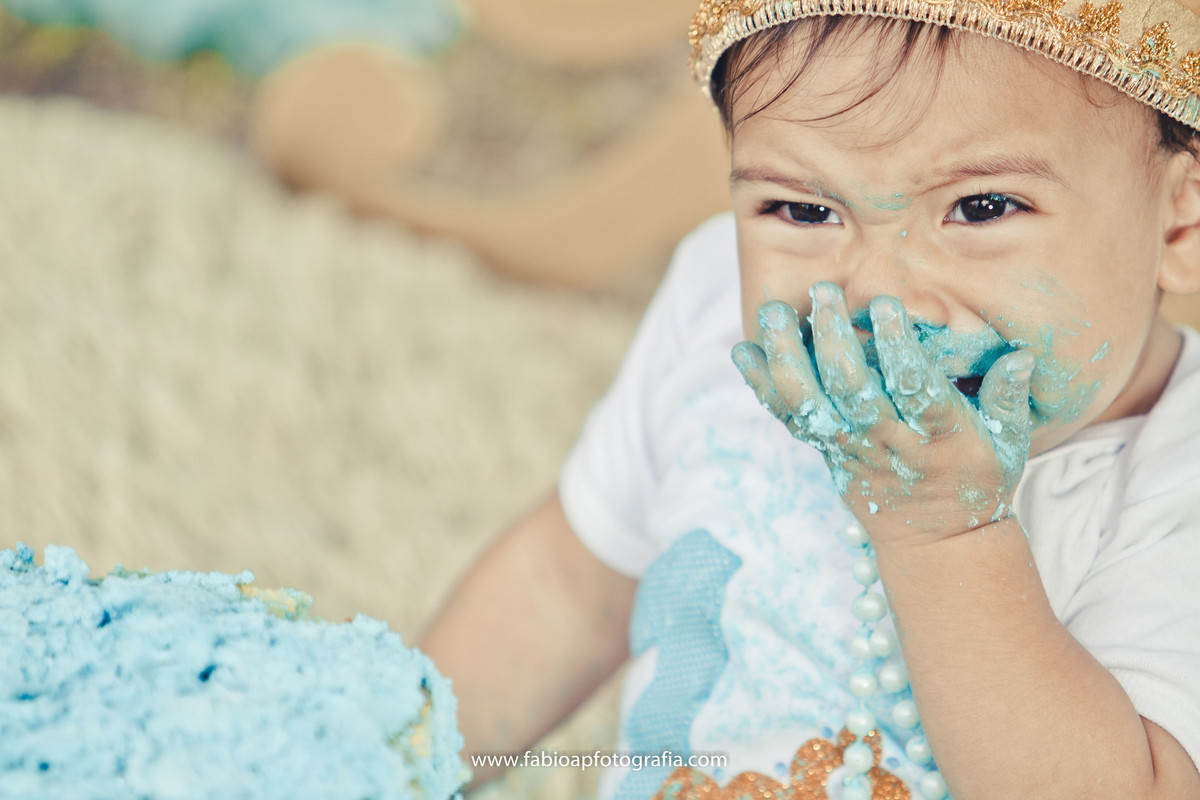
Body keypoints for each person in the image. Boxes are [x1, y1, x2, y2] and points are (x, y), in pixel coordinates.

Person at [420, 0, 1200, 797]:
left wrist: (946, 537)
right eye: (804, 209)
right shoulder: (717, 307)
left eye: (982, 207)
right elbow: (565, 587)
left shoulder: (1181, 478)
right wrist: (396, 758)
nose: (880, 296)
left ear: (1181, 222)